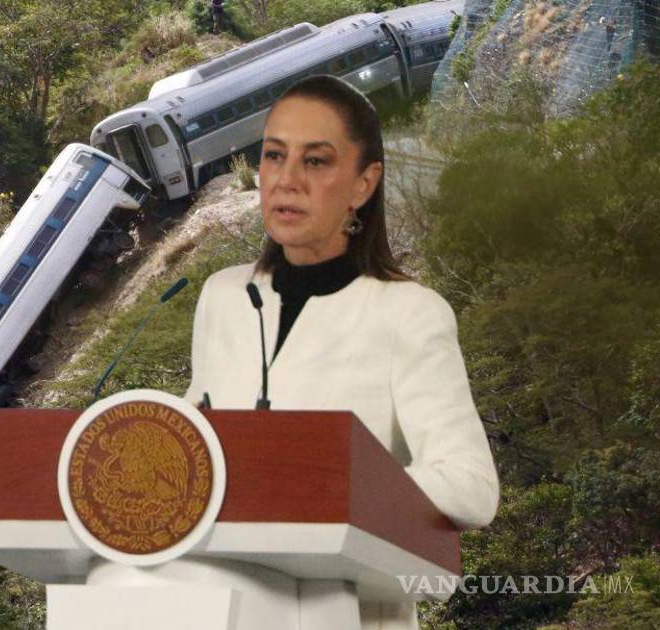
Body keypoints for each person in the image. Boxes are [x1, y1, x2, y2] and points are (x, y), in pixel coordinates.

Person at [182, 74, 500, 629]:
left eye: (316, 161)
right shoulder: (223, 296)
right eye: (274, 155)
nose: (287, 180)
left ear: (363, 184)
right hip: (226, 610)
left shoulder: (409, 313)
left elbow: (472, 488)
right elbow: (193, 443)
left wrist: (325, 484)